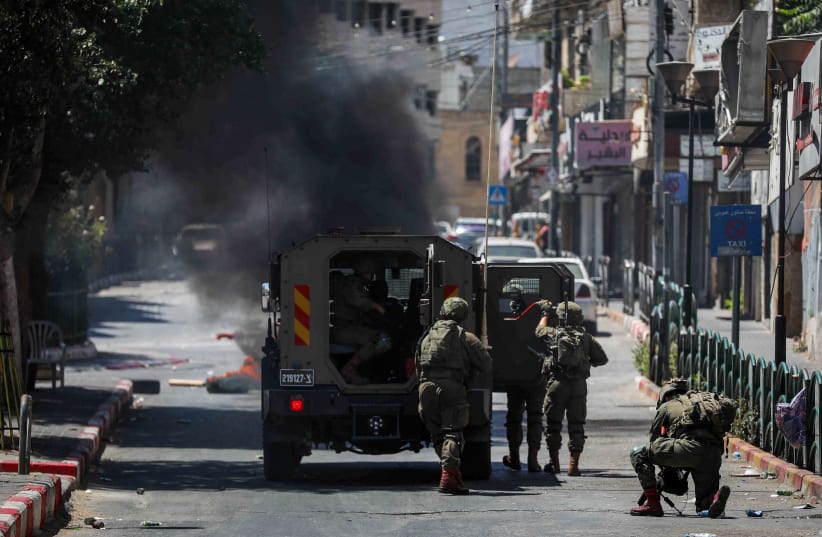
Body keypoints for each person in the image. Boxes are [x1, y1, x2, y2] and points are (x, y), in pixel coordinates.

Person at [415, 297, 492, 495]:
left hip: (426, 387)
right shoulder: (466, 337)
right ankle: (449, 476)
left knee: (438, 433)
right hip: (452, 388)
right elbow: (486, 365)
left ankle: (451, 472)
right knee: (453, 432)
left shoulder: (426, 336)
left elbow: (417, 364)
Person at [629, 378, 731, 518]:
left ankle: (653, 504)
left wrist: (665, 473)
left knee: (639, 453)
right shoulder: (699, 404)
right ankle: (715, 498)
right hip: (712, 455)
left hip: (688, 451)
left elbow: (654, 442)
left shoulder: (668, 406)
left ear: (666, 395)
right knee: (705, 508)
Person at [536, 300, 608, 476]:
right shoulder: (586, 338)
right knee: (577, 425)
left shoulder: (553, 333)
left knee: (553, 425)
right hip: (578, 386)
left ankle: (554, 464)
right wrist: (584, 361)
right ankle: (573, 465)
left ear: (560, 318)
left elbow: (538, 331)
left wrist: (546, 314)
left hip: (557, 385)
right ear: (580, 318)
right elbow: (602, 359)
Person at [502, 286, 547, 473]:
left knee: (514, 416)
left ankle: (515, 457)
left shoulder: (502, 314)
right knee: (535, 416)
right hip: (534, 373)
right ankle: (533, 460)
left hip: (513, 372)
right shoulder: (535, 314)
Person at [330, 259, 392, 384]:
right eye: (371, 273)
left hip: (341, 329)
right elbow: (359, 301)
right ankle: (350, 368)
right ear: (367, 272)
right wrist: (376, 307)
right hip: (343, 329)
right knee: (383, 340)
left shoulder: (351, 283)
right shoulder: (353, 283)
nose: (372, 276)